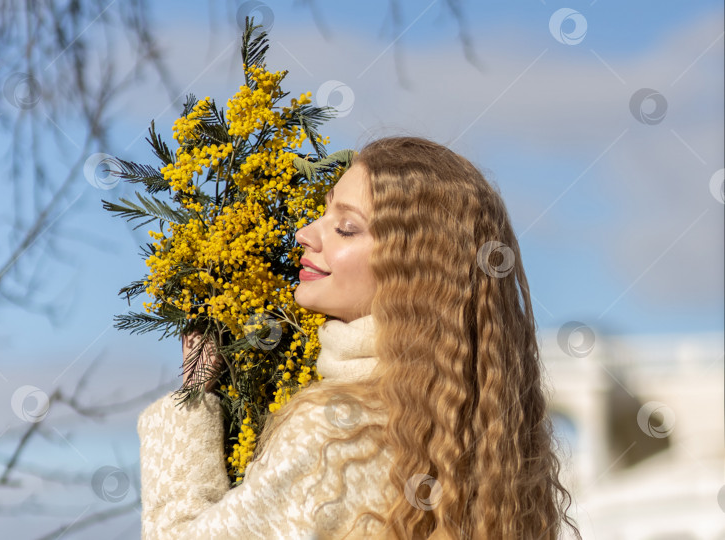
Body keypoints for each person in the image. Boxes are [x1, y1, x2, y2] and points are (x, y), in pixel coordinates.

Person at [137, 136, 583, 539]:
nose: (305, 234)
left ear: (413, 272)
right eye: (323, 211)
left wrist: (191, 403)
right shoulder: (479, 436)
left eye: (346, 228)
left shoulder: (336, 436)